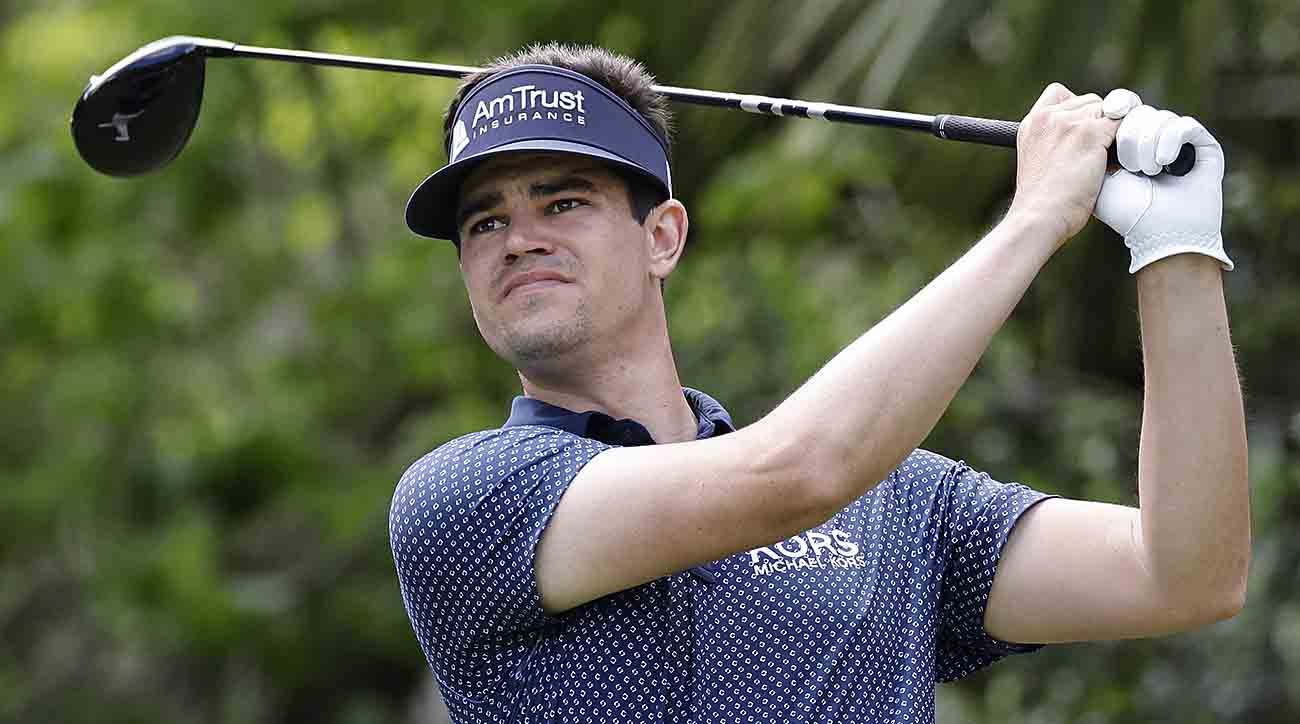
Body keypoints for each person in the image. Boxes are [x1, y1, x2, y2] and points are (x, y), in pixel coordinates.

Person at [388, 43, 1249, 724]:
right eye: (485, 221)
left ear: (663, 237)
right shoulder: (464, 498)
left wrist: (1175, 250)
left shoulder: (897, 501)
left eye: (562, 202)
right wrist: (1033, 220)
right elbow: (796, 473)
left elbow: (1185, 576)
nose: (518, 238)